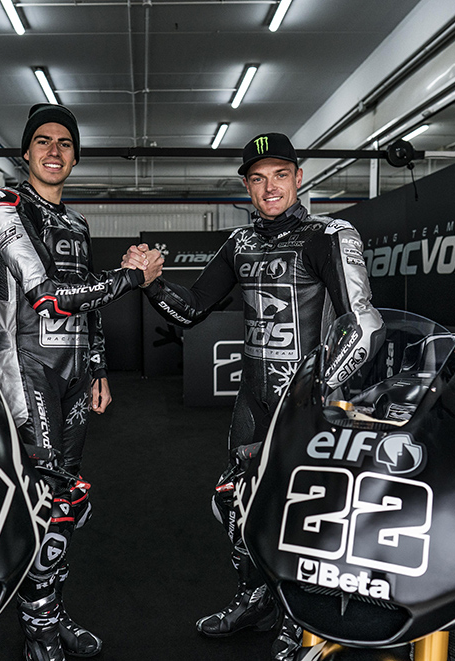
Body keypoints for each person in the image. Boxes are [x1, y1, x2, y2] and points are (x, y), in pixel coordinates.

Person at [123, 132, 383, 660]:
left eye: (280, 175)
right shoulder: (240, 243)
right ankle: (256, 599)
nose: (270, 188)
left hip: (310, 402)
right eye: (258, 178)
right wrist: (150, 283)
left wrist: (318, 393)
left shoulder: (329, 234)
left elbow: (365, 325)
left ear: (299, 177)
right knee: (235, 501)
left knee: (306, 509)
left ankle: (300, 617)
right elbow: (191, 309)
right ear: (246, 186)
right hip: (254, 398)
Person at [0, 103, 162, 661]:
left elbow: (87, 305)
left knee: (66, 500)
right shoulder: (3, 205)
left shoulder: (77, 223)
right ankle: (37, 630)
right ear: (25, 152)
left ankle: (49, 613)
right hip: (26, 368)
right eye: (43, 140)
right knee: (44, 499)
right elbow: (48, 298)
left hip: (75, 373)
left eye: (64, 143)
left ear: (75, 157)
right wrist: (131, 277)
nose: (54, 150)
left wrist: (98, 367)